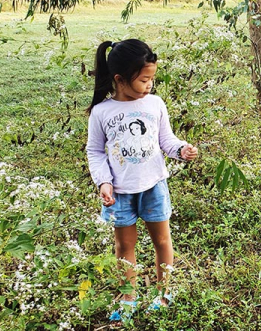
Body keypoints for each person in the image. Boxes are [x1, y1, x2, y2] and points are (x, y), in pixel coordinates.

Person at [85, 39, 199, 322]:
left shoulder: (155, 104)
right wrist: (104, 182)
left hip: (153, 186)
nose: (150, 85)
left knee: (162, 240)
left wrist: (181, 150)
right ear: (120, 79)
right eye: (144, 79)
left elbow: (166, 140)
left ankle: (163, 293)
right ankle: (129, 298)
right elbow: (95, 151)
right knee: (125, 248)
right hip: (119, 192)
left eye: (152, 79)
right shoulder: (102, 112)